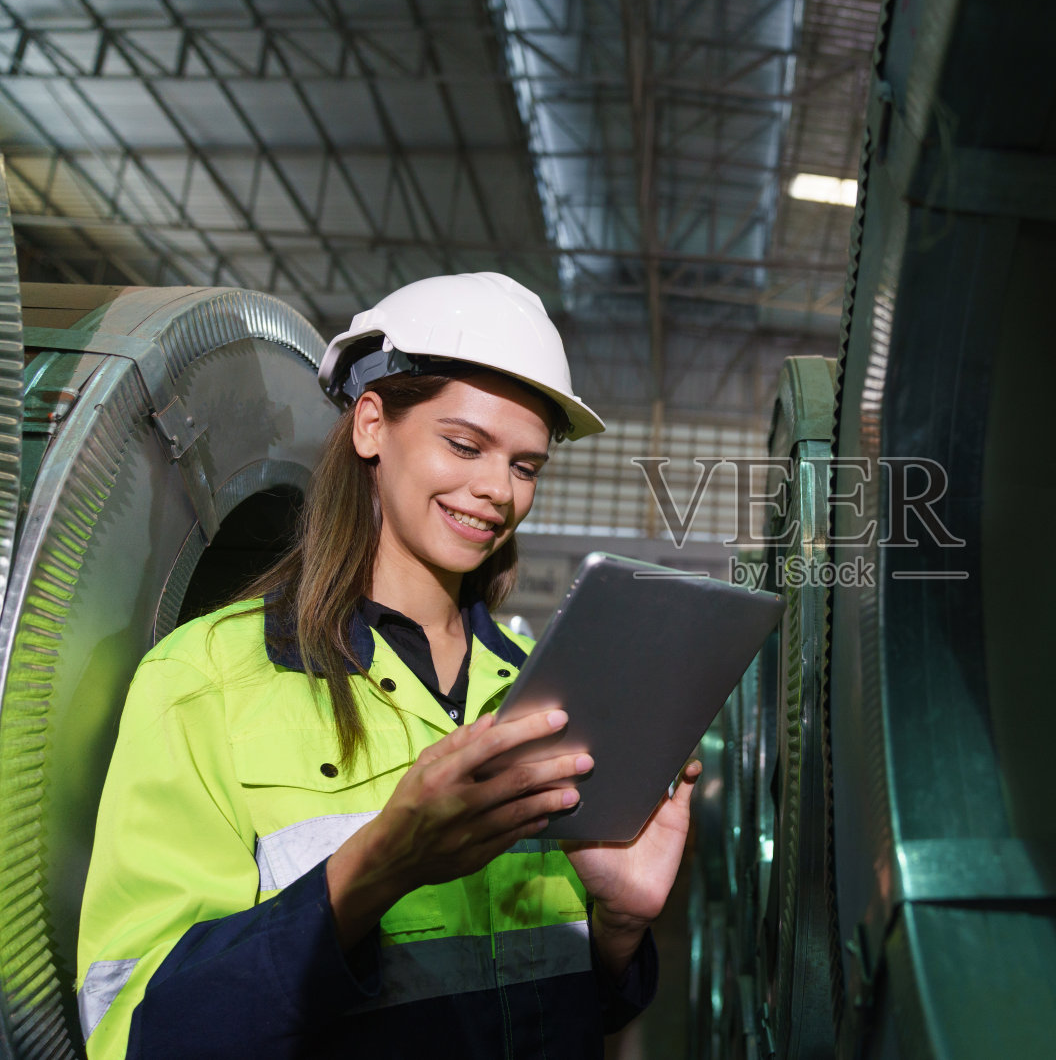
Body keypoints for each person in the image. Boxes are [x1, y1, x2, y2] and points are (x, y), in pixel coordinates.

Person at [74, 273, 696, 1059]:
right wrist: (372, 869)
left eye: (526, 466)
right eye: (464, 445)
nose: (495, 490)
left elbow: (565, 1003)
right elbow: (134, 1028)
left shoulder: (545, 693)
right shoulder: (206, 682)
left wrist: (621, 923)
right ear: (372, 424)